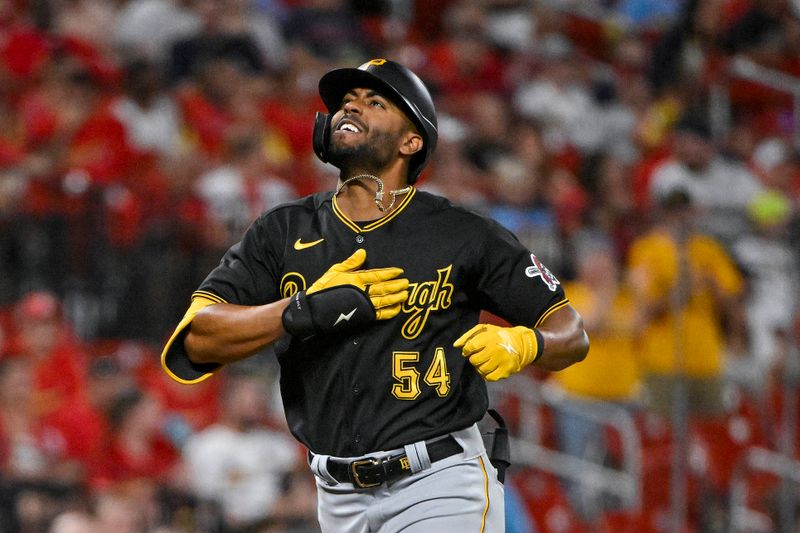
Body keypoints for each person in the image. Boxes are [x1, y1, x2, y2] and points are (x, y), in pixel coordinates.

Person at [161, 58, 589, 532]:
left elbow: (571, 331)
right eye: (347, 101)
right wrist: (301, 309)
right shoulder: (281, 231)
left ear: (411, 141)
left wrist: (526, 344)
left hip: (438, 478)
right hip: (335, 494)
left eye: (375, 102)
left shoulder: (464, 234)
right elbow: (196, 340)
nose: (352, 108)